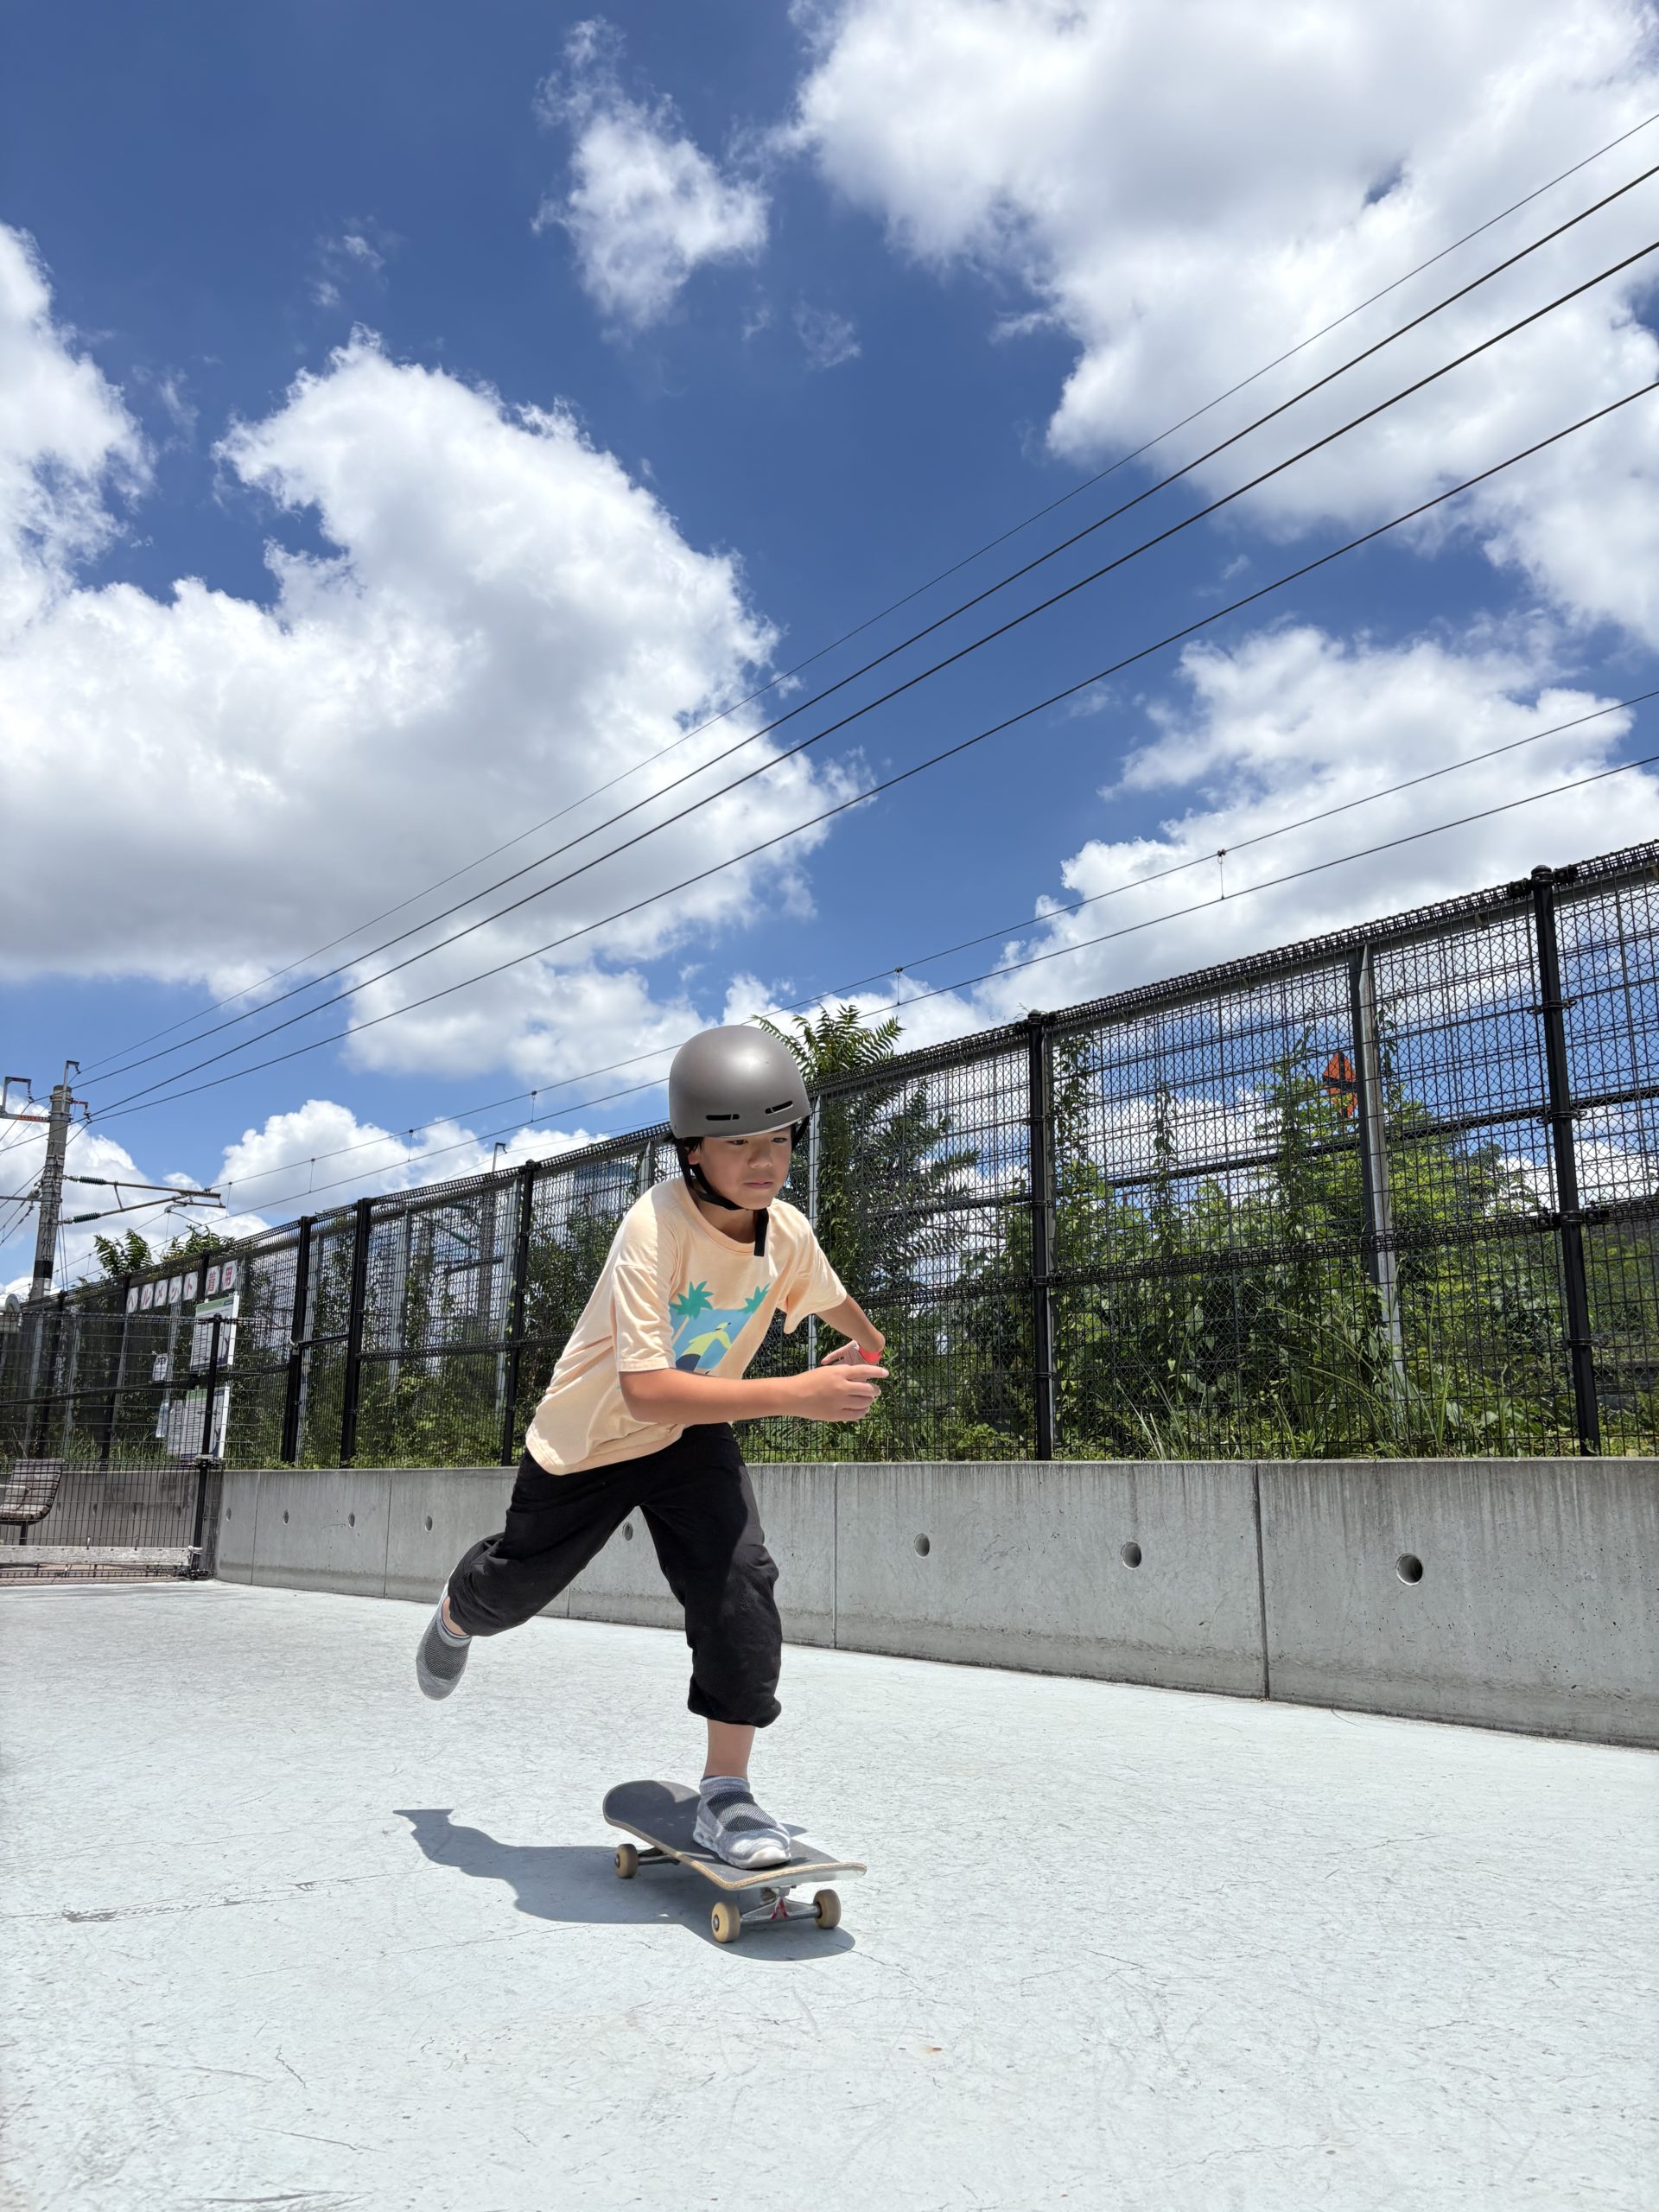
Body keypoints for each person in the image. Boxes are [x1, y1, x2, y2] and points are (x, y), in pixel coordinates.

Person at [415, 1025, 887, 1868]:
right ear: (692, 1150)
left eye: (779, 1141)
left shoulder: (786, 1233)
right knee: (512, 1591)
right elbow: (646, 1389)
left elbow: (835, 1302)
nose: (765, 1162)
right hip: (590, 1440)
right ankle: (459, 1609)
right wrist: (797, 1395)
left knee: (740, 1582)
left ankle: (727, 1793)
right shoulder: (654, 1227)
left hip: (691, 1434)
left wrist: (866, 1345)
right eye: (739, 1144)